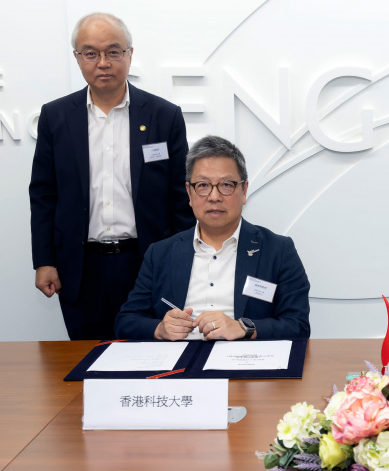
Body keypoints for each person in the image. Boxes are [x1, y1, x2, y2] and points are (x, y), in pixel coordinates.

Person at [29, 13, 191, 340]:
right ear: (77, 59)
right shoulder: (55, 116)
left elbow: (180, 197)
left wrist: (184, 264)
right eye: (91, 53)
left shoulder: (164, 116)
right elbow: (44, 194)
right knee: (90, 361)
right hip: (81, 265)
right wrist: (44, 261)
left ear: (130, 54)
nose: (103, 62)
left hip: (147, 262)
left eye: (113, 52)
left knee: (151, 359)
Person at [115, 135, 311, 341]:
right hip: (177, 363)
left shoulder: (278, 250)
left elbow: (297, 325)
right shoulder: (160, 253)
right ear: (189, 193)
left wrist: (244, 328)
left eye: (226, 184)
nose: (214, 196)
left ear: (244, 191)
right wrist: (159, 329)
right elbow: (126, 321)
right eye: (203, 185)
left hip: (245, 363)